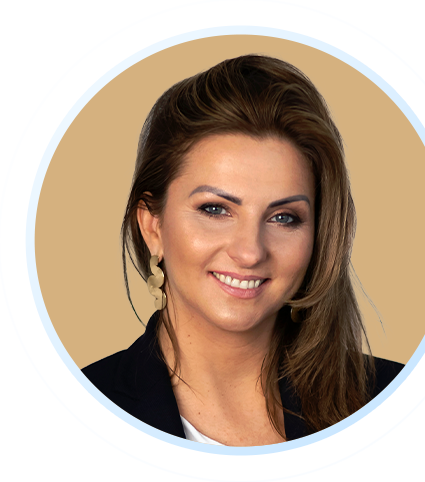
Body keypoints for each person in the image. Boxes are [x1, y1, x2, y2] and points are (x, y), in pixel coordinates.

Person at [82, 54, 404, 446]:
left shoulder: (399, 401)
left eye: (283, 217)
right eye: (215, 210)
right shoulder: (73, 412)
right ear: (153, 227)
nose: (250, 252)